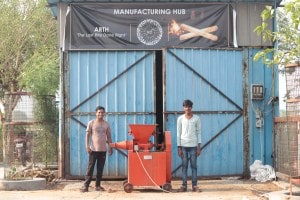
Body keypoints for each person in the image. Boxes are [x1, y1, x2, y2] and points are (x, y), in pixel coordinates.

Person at [80, 106, 113, 192]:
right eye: (99, 112)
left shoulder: (106, 124)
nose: (100, 114)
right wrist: (87, 146)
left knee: (100, 169)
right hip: (93, 150)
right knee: (90, 168)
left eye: (102, 112)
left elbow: (109, 137)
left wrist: (110, 147)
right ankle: (85, 186)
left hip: (103, 150)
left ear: (104, 113)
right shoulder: (91, 123)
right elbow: (87, 136)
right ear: (96, 113)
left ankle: (97, 186)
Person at [177, 99, 202, 192]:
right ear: (183, 108)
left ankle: (194, 186)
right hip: (183, 146)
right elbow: (178, 134)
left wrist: (199, 147)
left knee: (194, 166)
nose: (187, 108)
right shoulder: (180, 119)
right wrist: (179, 147)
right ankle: (184, 186)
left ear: (191, 108)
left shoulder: (196, 118)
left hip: (193, 146)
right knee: (184, 166)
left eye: (189, 107)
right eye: (186, 106)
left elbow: (199, 132)